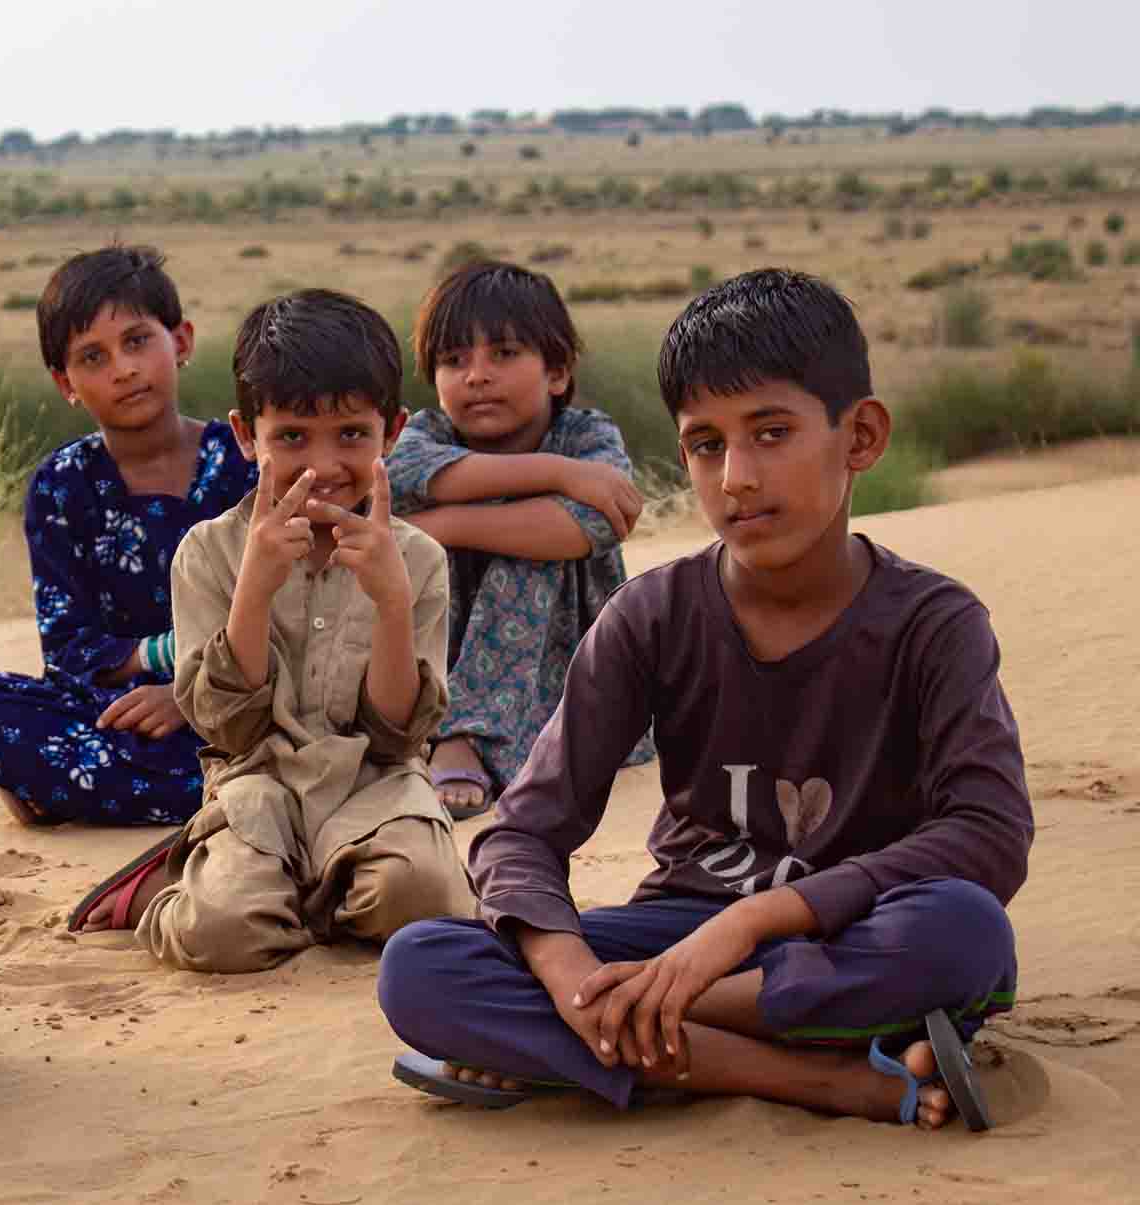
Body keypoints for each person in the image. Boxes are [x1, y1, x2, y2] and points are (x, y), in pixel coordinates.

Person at [377, 269, 1033, 1130]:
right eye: (706, 445)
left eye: (771, 433)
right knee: (422, 966)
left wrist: (749, 928)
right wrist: (574, 974)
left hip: (843, 932)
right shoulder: (651, 615)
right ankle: (821, 1075)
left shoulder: (933, 624)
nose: (737, 479)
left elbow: (988, 832)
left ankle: (616, 1042)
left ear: (860, 435)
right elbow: (522, 831)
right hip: (674, 930)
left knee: (964, 935)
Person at [69, 288, 474, 968]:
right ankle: (165, 892)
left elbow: (401, 733)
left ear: (393, 433)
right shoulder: (209, 553)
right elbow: (227, 729)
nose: (321, 464)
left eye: (351, 435)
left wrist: (392, 605)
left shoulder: (416, 559)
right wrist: (254, 589)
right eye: (291, 436)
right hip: (257, 785)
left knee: (421, 902)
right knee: (221, 935)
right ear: (244, 436)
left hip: (374, 785)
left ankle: (300, 885)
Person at [0, 245, 257, 828]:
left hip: (239, 700)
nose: (122, 369)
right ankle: (206, 793)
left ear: (182, 342)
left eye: (138, 341)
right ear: (65, 382)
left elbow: (291, 615)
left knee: (290, 730)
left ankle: (77, 790)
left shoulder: (244, 463)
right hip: (120, 713)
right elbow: (67, 648)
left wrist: (188, 696)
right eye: (94, 357)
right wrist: (152, 670)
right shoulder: (61, 485)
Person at [388, 261, 654, 819]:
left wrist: (445, 524)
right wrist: (560, 474)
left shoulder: (587, 435)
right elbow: (402, 477)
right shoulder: (425, 435)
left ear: (556, 373)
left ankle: (469, 736)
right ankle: (454, 728)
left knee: (535, 543)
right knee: (520, 525)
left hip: (566, 672)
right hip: (441, 655)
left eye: (503, 355)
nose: (476, 376)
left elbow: (587, 526)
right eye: (453, 361)